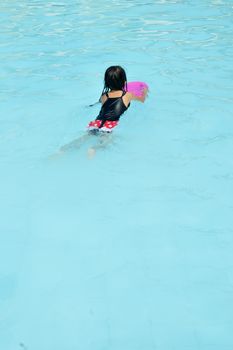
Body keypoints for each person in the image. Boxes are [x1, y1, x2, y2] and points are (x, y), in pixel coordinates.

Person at [60, 65, 148, 157]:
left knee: (84, 138)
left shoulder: (104, 96)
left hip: (96, 122)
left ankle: (63, 150)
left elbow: (103, 105)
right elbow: (142, 99)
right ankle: (94, 149)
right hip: (110, 124)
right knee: (105, 142)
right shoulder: (128, 95)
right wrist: (145, 89)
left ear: (106, 82)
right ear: (124, 82)